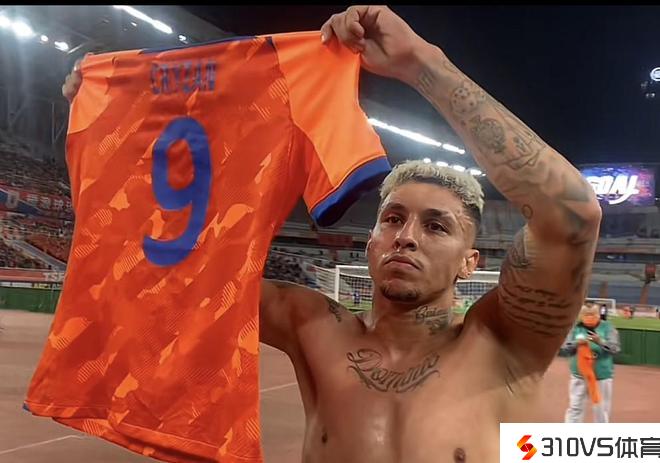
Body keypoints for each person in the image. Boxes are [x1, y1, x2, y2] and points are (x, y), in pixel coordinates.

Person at [62, 5, 602, 462]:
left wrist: (422, 63)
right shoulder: (313, 326)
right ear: (370, 241)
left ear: (470, 261)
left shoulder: (505, 342)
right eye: (392, 219)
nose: (406, 236)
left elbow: (573, 213)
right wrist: (118, 120)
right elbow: (170, 273)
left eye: (436, 226)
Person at [561, 303, 620, 423]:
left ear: (598, 315)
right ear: (581, 315)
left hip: (601, 376)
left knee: (601, 409)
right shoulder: (575, 328)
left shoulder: (608, 328)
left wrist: (600, 341)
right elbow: (565, 348)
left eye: (592, 314)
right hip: (579, 375)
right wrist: (576, 343)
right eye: (586, 315)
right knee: (575, 407)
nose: (589, 317)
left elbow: (615, 349)